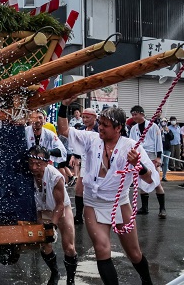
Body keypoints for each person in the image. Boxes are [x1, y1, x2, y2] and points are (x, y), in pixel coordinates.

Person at [57, 104, 156, 285]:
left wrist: (138, 166)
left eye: (105, 125)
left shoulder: (131, 147)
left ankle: (147, 282)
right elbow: (63, 129)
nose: (100, 127)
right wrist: (63, 106)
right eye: (100, 123)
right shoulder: (92, 139)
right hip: (93, 203)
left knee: (134, 253)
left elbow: (150, 179)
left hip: (120, 202)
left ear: (118, 128)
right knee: (102, 250)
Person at [26, 145, 78, 285]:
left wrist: (52, 225)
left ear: (46, 163)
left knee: (69, 247)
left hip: (60, 208)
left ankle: (71, 279)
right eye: (31, 163)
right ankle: (55, 272)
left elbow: (60, 205)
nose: (34, 167)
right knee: (45, 245)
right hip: (42, 210)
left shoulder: (55, 176)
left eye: (38, 164)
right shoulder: (26, 174)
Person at [127, 105, 166, 218]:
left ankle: (162, 208)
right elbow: (131, 143)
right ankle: (144, 207)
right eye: (132, 114)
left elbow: (159, 142)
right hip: (140, 156)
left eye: (135, 114)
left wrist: (158, 157)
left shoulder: (153, 126)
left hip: (152, 155)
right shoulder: (134, 129)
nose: (133, 117)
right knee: (141, 182)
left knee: (156, 182)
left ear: (142, 114)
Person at [72, 108, 99, 225]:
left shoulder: (100, 129)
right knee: (79, 187)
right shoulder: (82, 130)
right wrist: (74, 156)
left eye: (88, 117)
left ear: (95, 117)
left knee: (96, 189)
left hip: (99, 162)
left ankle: (98, 214)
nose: (85, 119)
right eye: (83, 117)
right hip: (85, 161)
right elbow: (78, 145)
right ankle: (78, 215)